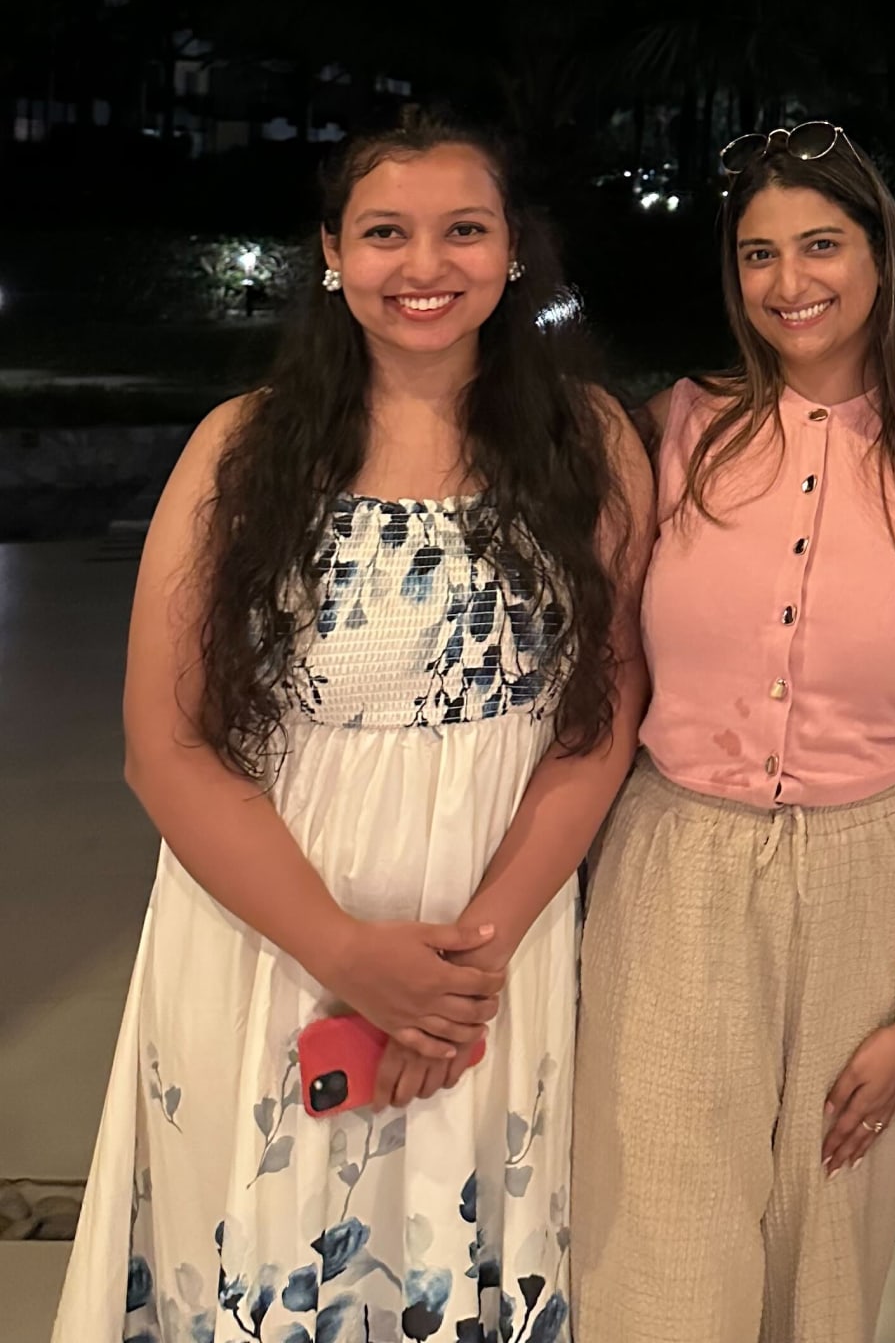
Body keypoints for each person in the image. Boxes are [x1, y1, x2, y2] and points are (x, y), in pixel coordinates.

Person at [56, 111, 651, 1343]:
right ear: (333, 252)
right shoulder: (243, 445)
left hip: (493, 941)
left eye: (463, 230)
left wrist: (462, 972)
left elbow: (601, 719)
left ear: (513, 250)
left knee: (456, 1253)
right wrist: (344, 950)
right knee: (267, 1252)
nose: (424, 265)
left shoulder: (589, 441)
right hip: (272, 931)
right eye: (385, 232)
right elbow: (163, 743)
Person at [571, 120, 895, 1343]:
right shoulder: (674, 433)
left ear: (881, 257)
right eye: (759, 252)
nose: (789, 281)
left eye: (821, 244)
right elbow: (599, 689)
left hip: (871, 874)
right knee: (659, 1247)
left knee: (827, 1255)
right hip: (676, 865)